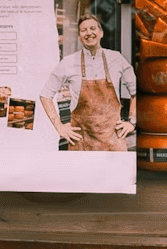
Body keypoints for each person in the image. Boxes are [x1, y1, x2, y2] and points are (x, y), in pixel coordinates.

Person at [41, 9, 136, 151]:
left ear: (101, 33)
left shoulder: (117, 58)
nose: (88, 33)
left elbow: (136, 91)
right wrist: (59, 127)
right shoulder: (68, 62)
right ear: (79, 36)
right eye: (83, 30)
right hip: (81, 142)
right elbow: (45, 95)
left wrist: (132, 122)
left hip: (113, 140)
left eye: (93, 28)